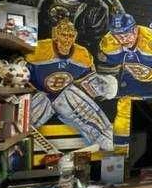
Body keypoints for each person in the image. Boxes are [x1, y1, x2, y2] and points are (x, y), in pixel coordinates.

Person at [25, 19, 115, 150]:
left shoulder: (82, 54)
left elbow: (87, 79)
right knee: (24, 122)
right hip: (40, 95)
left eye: (71, 35)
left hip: (65, 96)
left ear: (75, 36)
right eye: (63, 35)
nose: (67, 39)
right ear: (55, 34)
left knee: (74, 97)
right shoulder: (40, 48)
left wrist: (101, 87)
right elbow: (21, 70)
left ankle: (105, 138)